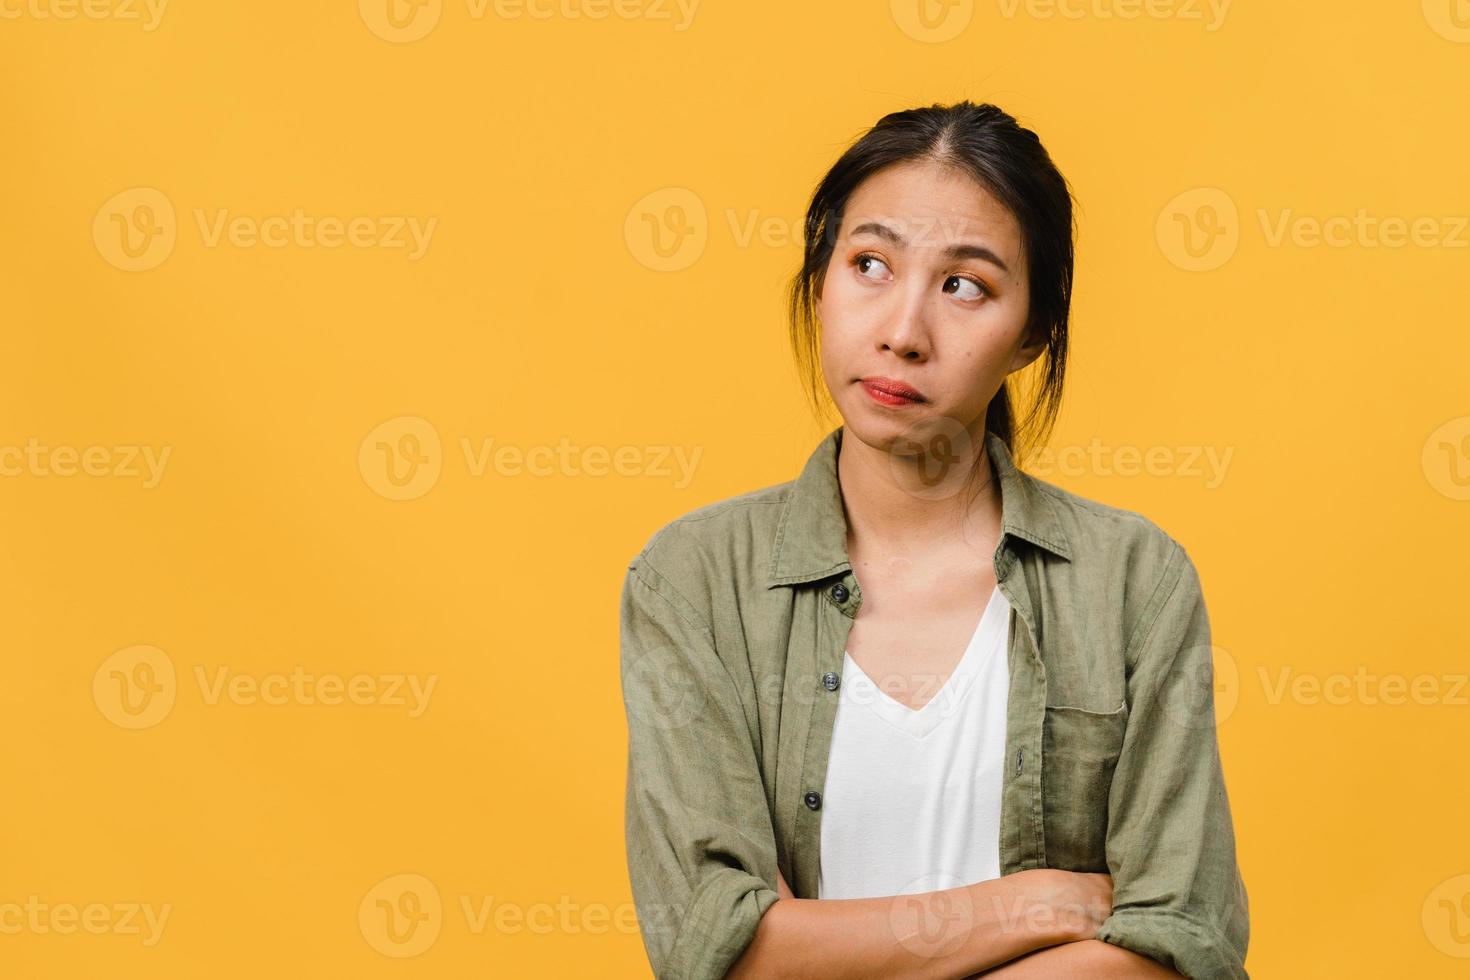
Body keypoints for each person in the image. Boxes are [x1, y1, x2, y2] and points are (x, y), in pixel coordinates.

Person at [619, 100, 1249, 979]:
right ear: (819, 282)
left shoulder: (1130, 580)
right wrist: (1026, 904)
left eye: (965, 285)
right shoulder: (694, 580)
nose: (903, 332)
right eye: (869, 264)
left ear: (1033, 333)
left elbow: (1182, 944)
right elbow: (720, 947)